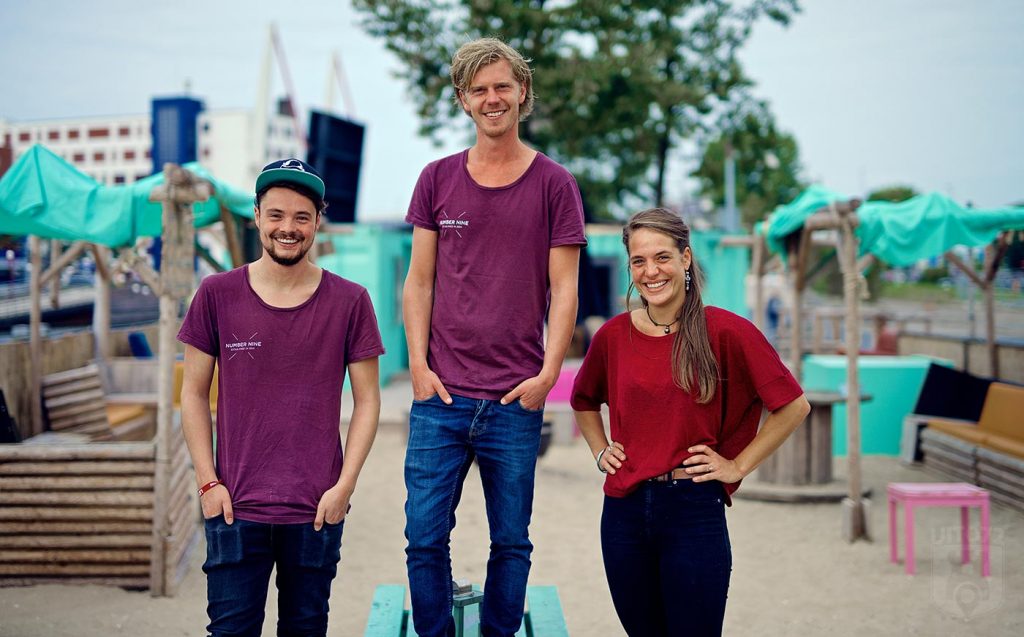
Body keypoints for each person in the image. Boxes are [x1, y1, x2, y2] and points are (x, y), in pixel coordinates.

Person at [402, 38, 586, 637]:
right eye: (479, 89)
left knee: (511, 542)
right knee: (424, 538)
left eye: (502, 86)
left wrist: (547, 378)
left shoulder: (555, 184)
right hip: (442, 398)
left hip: (514, 399)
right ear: (463, 100)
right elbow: (419, 283)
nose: (492, 98)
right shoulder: (436, 180)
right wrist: (419, 370)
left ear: (523, 92)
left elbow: (565, 290)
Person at [570, 208, 810, 637]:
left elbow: (793, 406)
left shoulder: (728, 331)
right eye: (639, 261)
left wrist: (736, 466)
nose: (650, 271)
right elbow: (584, 400)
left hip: (693, 510)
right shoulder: (613, 336)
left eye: (662, 257)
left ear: (685, 258)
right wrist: (600, 449)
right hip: (623, 511)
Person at [178, 158, 384, 637]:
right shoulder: (216, 295)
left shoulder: (350, 301)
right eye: (276, 215)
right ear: (257, 216)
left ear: (317, 221)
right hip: (235, 508)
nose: (287, 229)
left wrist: (344, 486)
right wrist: (208, 483)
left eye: (300, 217)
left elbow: (368, 401)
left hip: (316, 510)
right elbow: (192, 394)